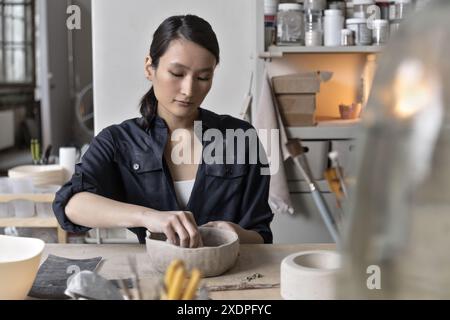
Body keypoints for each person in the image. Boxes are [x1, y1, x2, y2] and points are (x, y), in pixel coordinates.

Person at [53, 14, 273, 248]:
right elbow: (70, 205)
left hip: (232, 276)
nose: (188, 90)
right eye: (177, 74)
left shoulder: (240, 138)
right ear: (150, 68)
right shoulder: (118, 140)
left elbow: (261, 236)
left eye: (203, 77)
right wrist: (150, 218)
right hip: (157, 277)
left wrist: (234, 233)